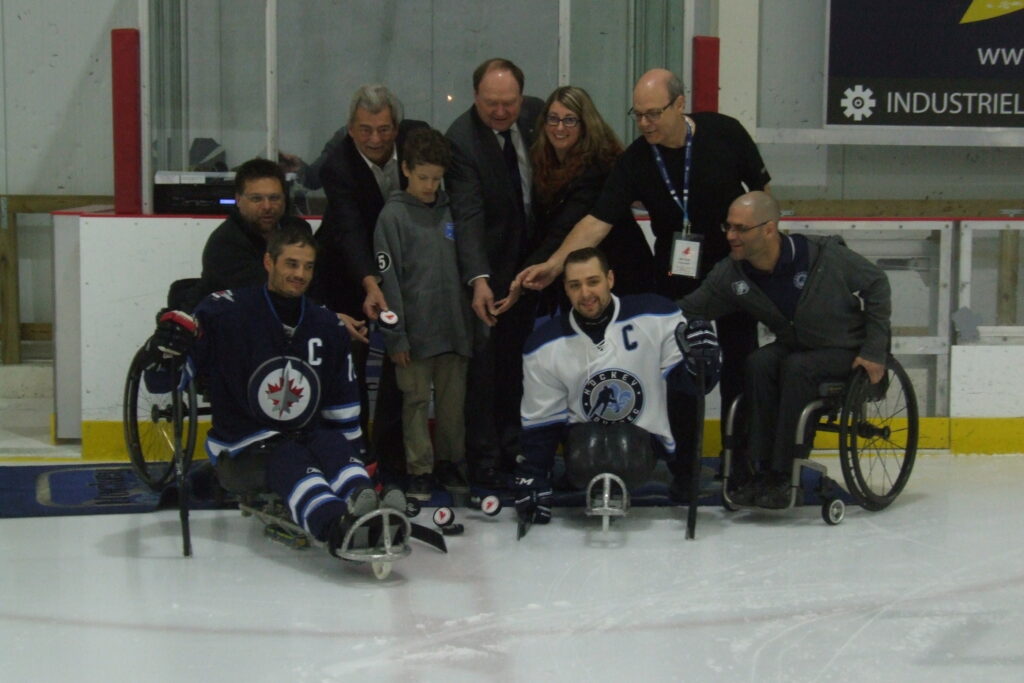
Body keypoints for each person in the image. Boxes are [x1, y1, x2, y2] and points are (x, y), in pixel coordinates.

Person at [513, 68, 771, 486]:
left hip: (734, 268)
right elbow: (596, 222)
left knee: (740, 365)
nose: (646, 123)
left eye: (654, 113)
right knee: (681, 370)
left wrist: (764, 254)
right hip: (677, 275)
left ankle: (740, 464)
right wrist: (556, 264)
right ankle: (685, 468)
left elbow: (763, 197)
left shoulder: (725, 132)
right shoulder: (635, 160)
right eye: (638, 115)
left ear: (679, 104)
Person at [144, 223, 404, 555]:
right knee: (290, 459)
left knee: (333, 446)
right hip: (243, 446)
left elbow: (342, 402)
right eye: (291, 264)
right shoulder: (224, 313)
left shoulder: (327, 324)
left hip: (305, 434)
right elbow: (161, 382)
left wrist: (354, 452)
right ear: (269, 262)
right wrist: (163, 350)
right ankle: (335, 526)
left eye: (308, 266)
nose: (300, 274)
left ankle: (369, 508)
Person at [678, 191, 892, 509]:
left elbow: (877, 283)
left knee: (796, 368)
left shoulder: (822, 256)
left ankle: (783, 472)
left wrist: (875, 350)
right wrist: (638, 317)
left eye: (740, 228)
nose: (730, 236)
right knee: (758, 362)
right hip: (796, 348)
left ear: (769, 229)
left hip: (845, 348)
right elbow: (689, 308)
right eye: (728, 227)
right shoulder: (732, 272)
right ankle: (757, 469)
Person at [513, 247, 721, 526]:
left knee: (627, 446)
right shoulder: (543, 344)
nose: (585, 293)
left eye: (593, 282)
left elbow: (689, 386)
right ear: (565, 288)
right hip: (583, 448)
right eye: (575, 285)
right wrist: (533, 477)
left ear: (610, 279)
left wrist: (702, 365)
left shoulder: (657, 314)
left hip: (644, 444)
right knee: (590, 449)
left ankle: (682, 471)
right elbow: (542, 421)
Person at [311, 85, 428, 481]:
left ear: (397, 125)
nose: (375, 139)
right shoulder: (337, 166)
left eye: (383, 129)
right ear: (350, 128)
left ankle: (393, 458)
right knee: (352, 366)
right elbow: (349, 230)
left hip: (405, 270)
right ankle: (355, 456)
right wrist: (370, 283)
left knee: (401, 361)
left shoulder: (417, 140)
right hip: (345, 271)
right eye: (365, 130)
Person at [444, 58, 545, 488]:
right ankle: (484, 459)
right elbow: (467, 215)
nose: (502, 112)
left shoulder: (538, 116)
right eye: (491, 103)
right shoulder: (460, 140)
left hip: (535, 263)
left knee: (523, 363)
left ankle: (516, 448)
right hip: (489, 268)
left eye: (510, 102)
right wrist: (479, 279)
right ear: (475, 97)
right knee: (485, 368)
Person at [373, 128, 473, 500]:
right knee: (415, 403)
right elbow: (388, 282)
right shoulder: (393, 217)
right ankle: (419, 469)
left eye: (436, 178)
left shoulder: (452, 210)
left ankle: (450, 462)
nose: (430, 186)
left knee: (452, 406)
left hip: (454, 329)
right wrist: (396, 335)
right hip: (413, 334)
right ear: (406, 171)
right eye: (423, 178)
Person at [517, 85, 655, 316]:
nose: (560, 127)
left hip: (619, 275)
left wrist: (524, 276)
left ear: (585, 124)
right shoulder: (542, 160)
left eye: (570, 120)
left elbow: (564, 227)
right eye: (553, 119)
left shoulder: (600, 165)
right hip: (578, 277)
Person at [189, 158, 312, 309]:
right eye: (257, 199)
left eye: (274, 198)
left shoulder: (298, 230)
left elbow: (315, 282)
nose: (267, 206)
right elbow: (267, 298)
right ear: (238, 199)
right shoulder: (224, 244)